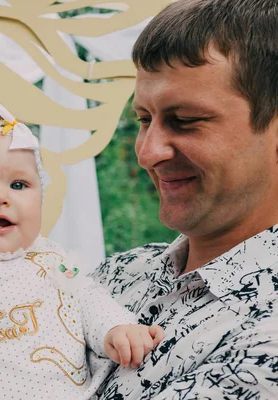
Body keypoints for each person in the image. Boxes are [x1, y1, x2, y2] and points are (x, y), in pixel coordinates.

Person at [0, 101, 164, 399]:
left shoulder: (52, 260)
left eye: (19, 185)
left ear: (40, 202)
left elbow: (88, 301)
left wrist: (116, 328)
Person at [92, 0, 278, 398]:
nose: (147, 152)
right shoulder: (118, 273)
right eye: (144, 119)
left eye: (185, 121)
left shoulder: (268, 330)